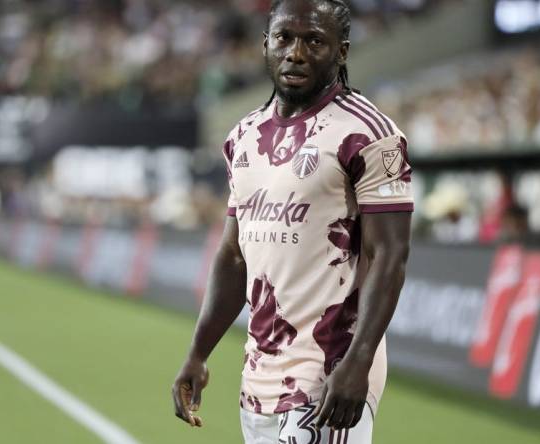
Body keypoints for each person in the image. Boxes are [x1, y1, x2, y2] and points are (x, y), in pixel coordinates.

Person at [172, 0, 413, 442]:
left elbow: (390, 256)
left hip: (330, 370)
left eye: (314, 41)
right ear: (265, 44)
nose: (296, 53)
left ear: (341, 52)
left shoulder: (369, 134)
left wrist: (357, 362)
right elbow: (233, 256)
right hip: (259, 375)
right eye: (284, 38)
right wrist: (198, 352)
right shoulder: (242, 137)